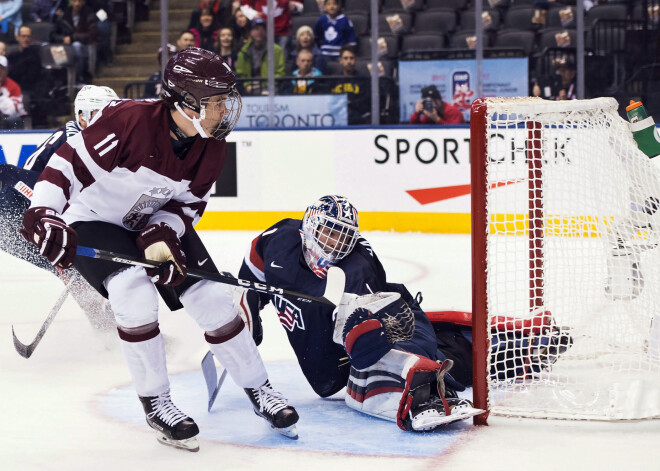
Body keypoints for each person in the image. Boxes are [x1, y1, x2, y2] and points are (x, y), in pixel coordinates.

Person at [19, 48, 299, 451]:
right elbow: (65, 166)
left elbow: (188, 206)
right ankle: (158, 403)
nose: (225, 110)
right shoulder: (127, 120)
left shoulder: (212, 146)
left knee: (212, 298)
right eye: (216, 101)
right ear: (186, 103)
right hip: (95, 218)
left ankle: (261, 390)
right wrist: (43, 212)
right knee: (132, 290)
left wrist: (163, 231)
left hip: (150, 221)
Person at [234, 194, 573, 431]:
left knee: (419, 353)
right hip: (325, 370)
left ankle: (500, 358)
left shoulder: (358, 266)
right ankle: (502, 346)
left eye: (343, 236)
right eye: (329, 232)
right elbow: (250, 280)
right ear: (309, 226)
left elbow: (357, 338)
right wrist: (247, 315)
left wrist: (361, 328)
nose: (335, 243)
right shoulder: (277, 239)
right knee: (442, 348)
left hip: (373, 340)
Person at [0, 85, 118, 329]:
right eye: (101, 112)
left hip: (39, 216)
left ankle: (113, 327)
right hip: (19, 217)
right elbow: (31, 182)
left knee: (82, 269)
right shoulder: (68, 139)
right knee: (74, 268)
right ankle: (110, 328)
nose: (110, 119)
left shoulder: (105, 141)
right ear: (82, 115)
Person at [51, 0, 98, 83]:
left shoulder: (89, 14)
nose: (77, 3)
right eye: (74, 1)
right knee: (58, 49)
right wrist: (62, 38)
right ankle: (63, 81)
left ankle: (79, 77)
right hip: (66, 45)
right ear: (71, 2)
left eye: (79, 1)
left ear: (84, 2)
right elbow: (54, 34)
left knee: (77, 46)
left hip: (84, 44)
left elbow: (92, 34)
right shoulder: (64, 14)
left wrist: (72, 38)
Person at [235, 17, 286, 95]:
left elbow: (281, 72)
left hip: (270, 87)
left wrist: (265, 84)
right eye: (256, 29)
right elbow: (241, 74)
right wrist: (247, 85)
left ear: (266, 32)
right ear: (251, 32)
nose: (259, 32)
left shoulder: (277, 50)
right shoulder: (244, 51)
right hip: (250, 87)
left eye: (263, 29)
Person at [330, 45, 369, 125]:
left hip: (357, 119)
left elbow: (365, 103)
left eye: (352, 58)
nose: (349, 61)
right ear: (340, 60)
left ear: (356, 60)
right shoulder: (333, 80)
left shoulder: (363, 79)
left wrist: (350, 104)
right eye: (346, 58)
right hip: (337, 117)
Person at [0, 55, 26, 129]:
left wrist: (1, 95)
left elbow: (13, 111)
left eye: (1, 68)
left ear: (7, 70)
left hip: (5, 120)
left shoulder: (13, 86)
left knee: (12, 119)